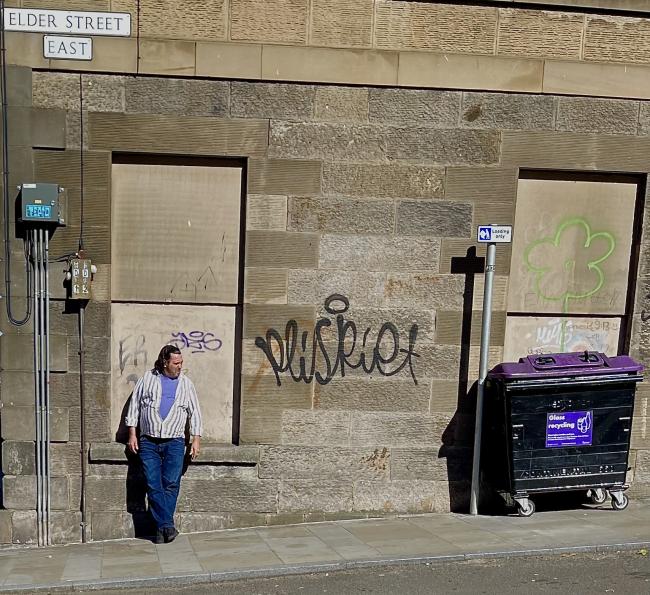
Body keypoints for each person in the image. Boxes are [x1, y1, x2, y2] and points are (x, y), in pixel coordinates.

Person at [125, 344, 202, 544]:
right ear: (165, 362)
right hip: (148, 441)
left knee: (171, 483)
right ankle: (166, 526)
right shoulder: (148, 379)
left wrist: (196, 439)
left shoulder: (186, 384)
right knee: (153, 484)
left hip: (175, 441)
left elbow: (195, 412)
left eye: (181, 362)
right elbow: (134, 406)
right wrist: (132, 434)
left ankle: (161, 529)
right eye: (176, 363)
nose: (179, 366)